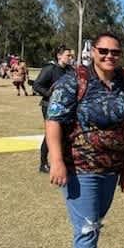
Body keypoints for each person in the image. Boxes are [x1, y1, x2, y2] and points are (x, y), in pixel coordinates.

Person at [46, 32, 124, 248]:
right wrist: (57, 160)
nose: (109, 55)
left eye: (115, 52)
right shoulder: (74, 80)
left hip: (111, 167)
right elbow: (54, 120)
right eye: (104, 50)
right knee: (88, 227)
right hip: (80, 166)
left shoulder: (123, 80)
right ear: (92, 51)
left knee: (92, 221)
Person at [33, 45, 74, 173]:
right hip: (49, 106)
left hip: (66, 107)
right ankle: (43, 163)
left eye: (71, 56)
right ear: (59, 56)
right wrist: (50, 94)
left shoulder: (70, 70)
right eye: (68, 55)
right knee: (51, 133)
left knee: (65, 133)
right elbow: (37, 85)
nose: (70, 58)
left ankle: (64, 160)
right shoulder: (50, 69)